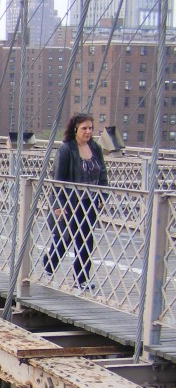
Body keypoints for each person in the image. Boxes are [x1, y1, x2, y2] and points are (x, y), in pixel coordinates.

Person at [43, 113, 108, 290]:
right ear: (75, 129)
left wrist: (102, 196)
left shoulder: (95, 147)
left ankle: (81, 278)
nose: (88, 132)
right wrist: (58, 204)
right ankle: (49, 265)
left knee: (86, 240)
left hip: (90, 202)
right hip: (70, 202)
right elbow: (58, 179)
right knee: (65, 238)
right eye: (84, 128)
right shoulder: (66, 150)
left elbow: (102, 173)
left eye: (90, 128)